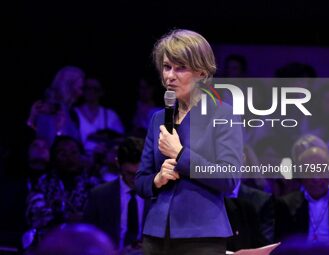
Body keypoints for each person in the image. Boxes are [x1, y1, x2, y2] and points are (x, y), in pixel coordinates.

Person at [135, 29, 243, 254]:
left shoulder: (223, 114)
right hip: (156, 235)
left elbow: (229, 178)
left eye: (180, 68)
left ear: (201, 73)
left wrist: (181, 155)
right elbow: (140, 180)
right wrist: (157, 179)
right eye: (167, 67)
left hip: (201, 235)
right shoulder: (158, 118)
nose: (170, 76)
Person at [84, 137, 145, 253]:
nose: (135, 179)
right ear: (118, 164)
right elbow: (87, 240)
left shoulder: (161, 195)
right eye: (130, 173)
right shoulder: (99, 196)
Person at [27, 66, 85, 146]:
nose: (81, 93)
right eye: (80, 88)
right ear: (68, 85)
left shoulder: (68, 110)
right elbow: (46, 143)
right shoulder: (50, 108)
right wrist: (59, 130)